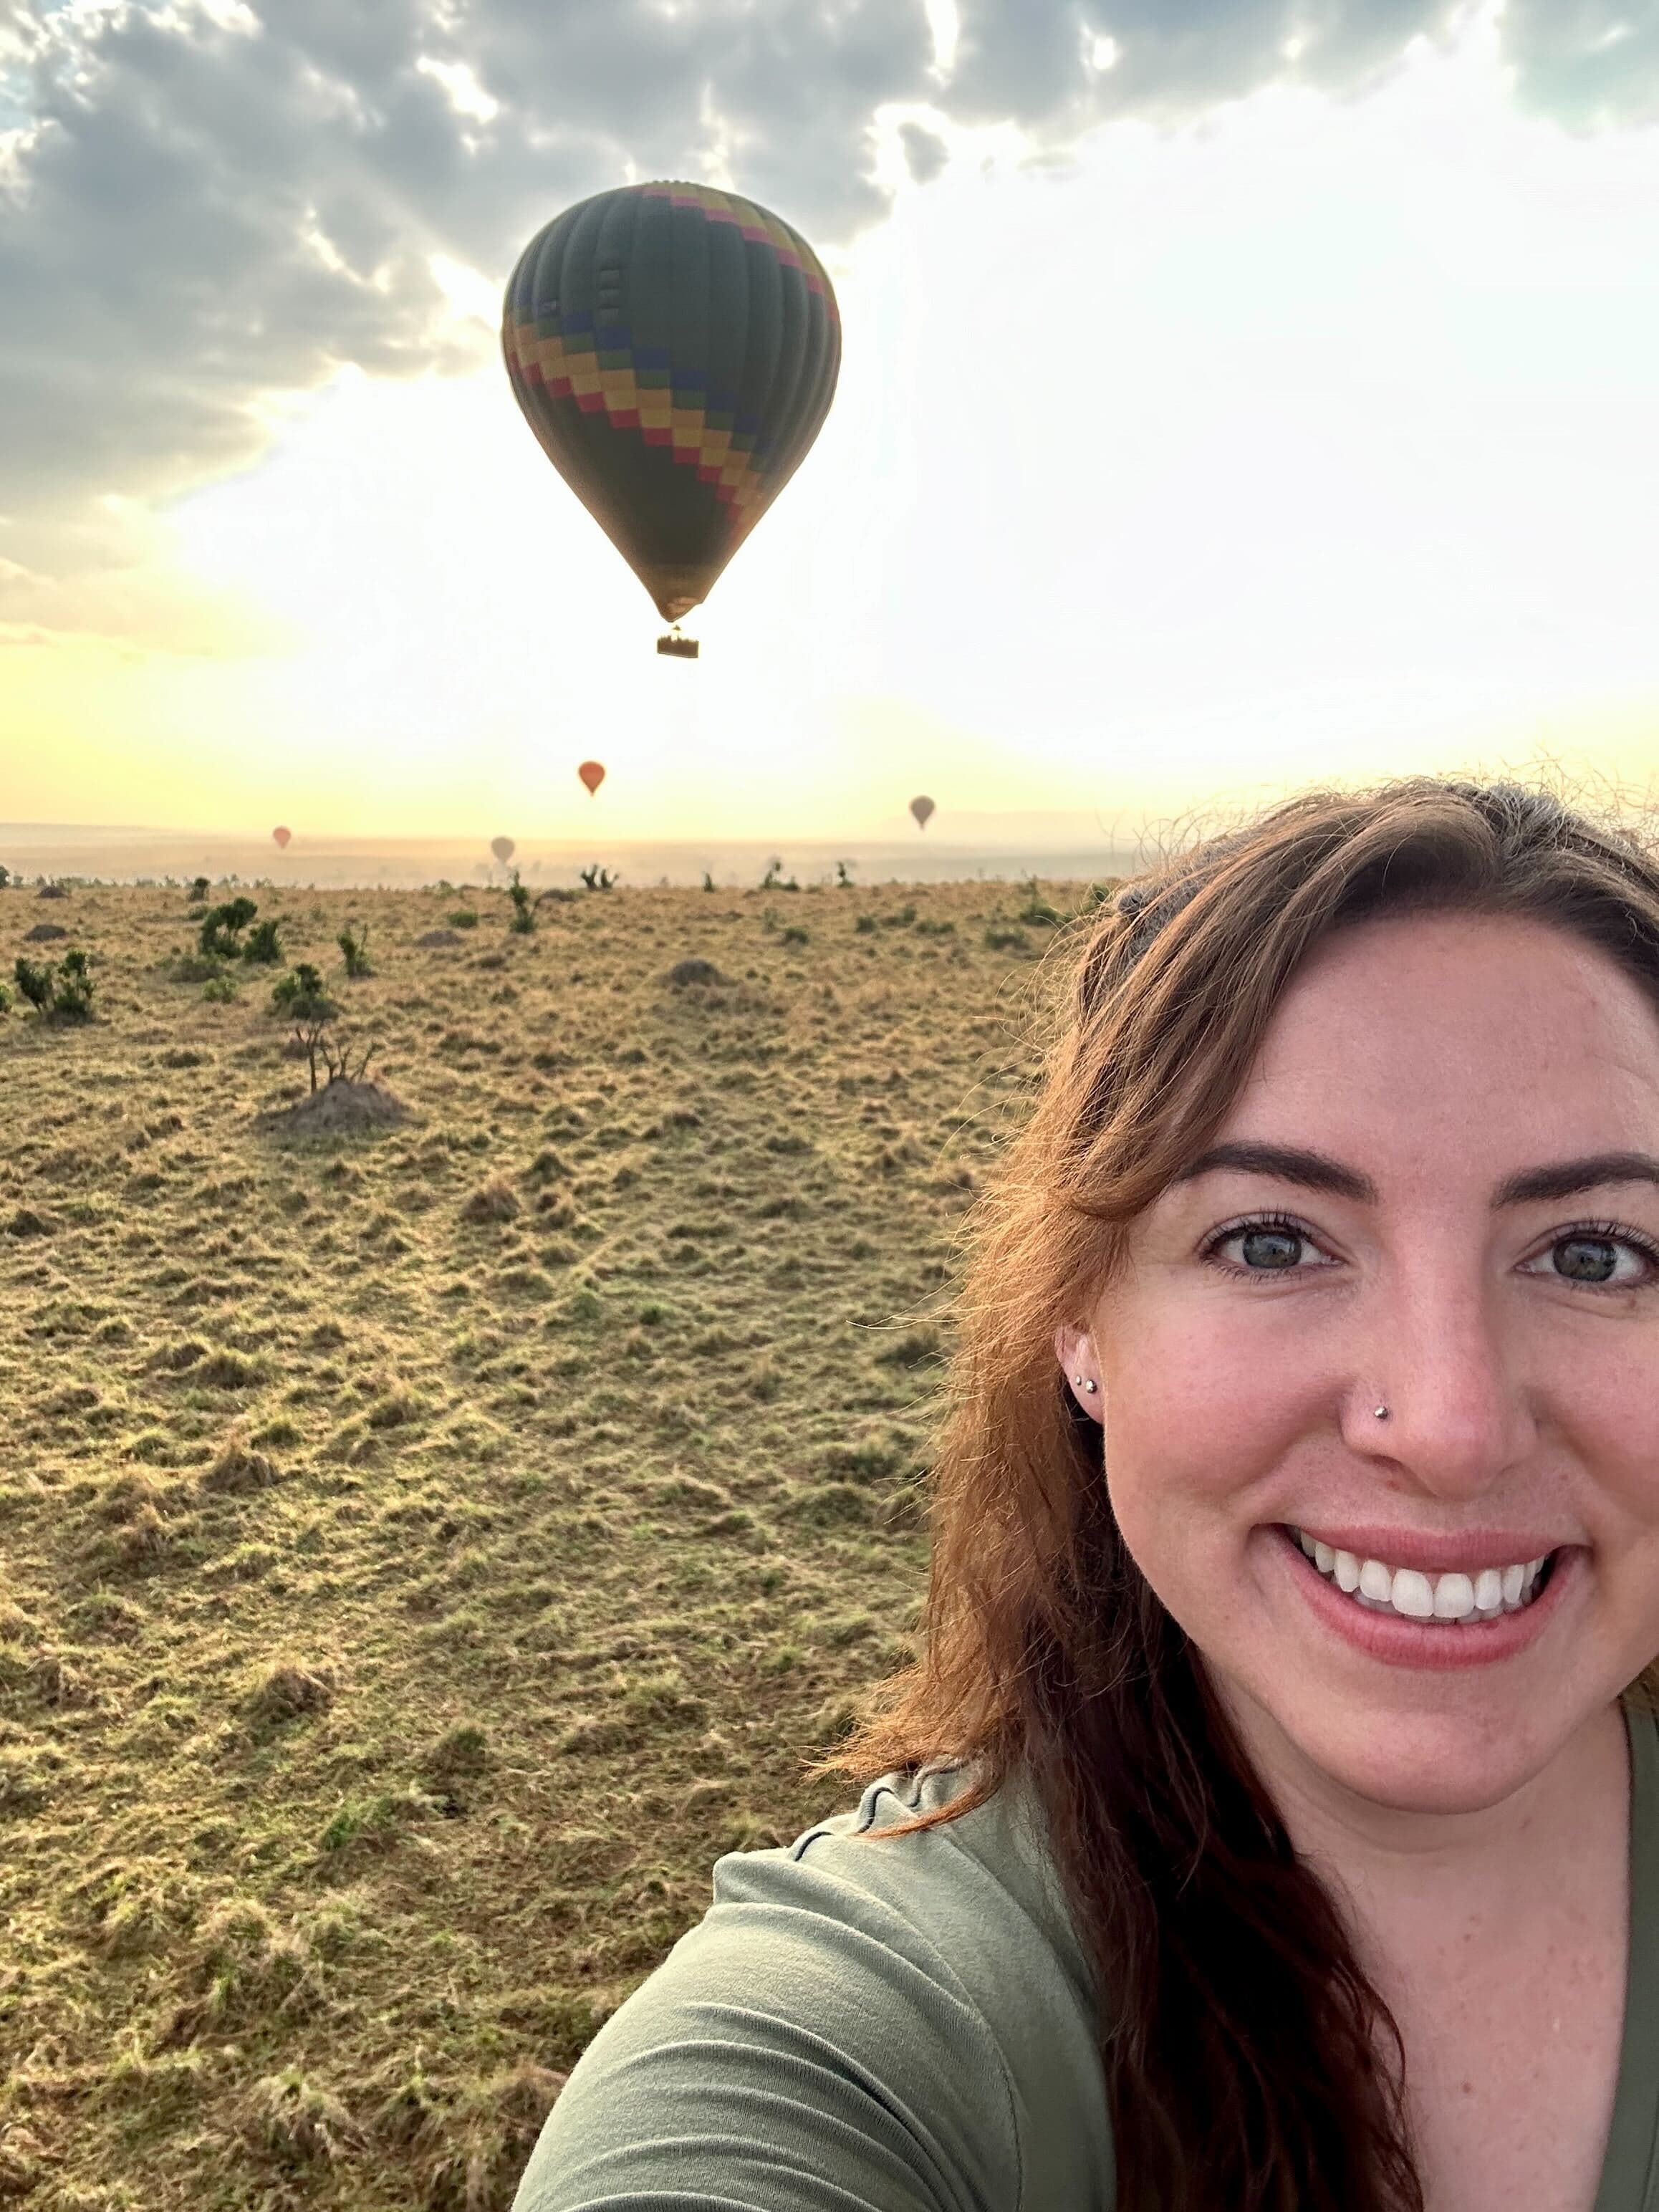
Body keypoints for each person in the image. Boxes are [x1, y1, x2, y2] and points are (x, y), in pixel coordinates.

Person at [511, 776, 1659, 2212]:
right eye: (1268, 1241)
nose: (1447, 1423)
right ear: (1079, 1325)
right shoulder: (860, 2043)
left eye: (1599, 1255)